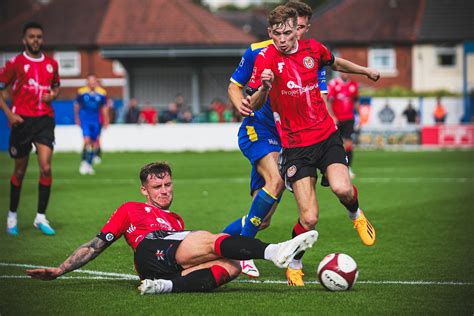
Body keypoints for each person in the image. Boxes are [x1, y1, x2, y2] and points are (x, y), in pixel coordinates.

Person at [25, 162, 318, 294]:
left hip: (167, 261)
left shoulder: (175, 219)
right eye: (157, 186)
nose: (164, 191)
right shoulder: (131, 209)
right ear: (144, 190)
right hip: (150, 249)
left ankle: (165, 287)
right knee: (206, 238)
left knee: (231, 267)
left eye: (167, 184)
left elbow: (185, 246)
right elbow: (96, 244)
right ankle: (275, 251)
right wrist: (60, 270)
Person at [247, 6, 379, 285]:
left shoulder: (313, 49)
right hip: (295, 147)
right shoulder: (266, 59)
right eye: (276, 33)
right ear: (270, 33)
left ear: (297, 29)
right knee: (309, 219)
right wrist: (264, 88)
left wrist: (365, 71)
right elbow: (255, 105)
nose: (282, 39)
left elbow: (337, 63)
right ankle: (294, 262)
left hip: (325, 136)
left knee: (343, 188)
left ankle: (355, 214)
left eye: (287, 32)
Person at [222, 0, 327, 283]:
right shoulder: (258, 52)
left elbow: (319, 96)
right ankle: (244, 253)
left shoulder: (310, 55)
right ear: (278, 29)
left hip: (290, 140)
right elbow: (234, 85)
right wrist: (240, 104)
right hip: (259, 130)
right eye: (296, 28)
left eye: (302, 28)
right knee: (276, 182)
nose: (298, 34)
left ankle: (216, 242)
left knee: (263, 218)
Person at [0, 22, 60, 236]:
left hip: (44, 120)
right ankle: (12, 216)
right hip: (22, 121)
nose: (36, 40)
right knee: (20, 171)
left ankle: (40, 217)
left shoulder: (52, 64)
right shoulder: (15, 63)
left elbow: (56, 86)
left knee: (45, 167)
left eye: (39, 37)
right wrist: (9, 114)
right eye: (32, 36)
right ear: (24, 39)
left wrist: (53, 95)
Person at [74, 74, 109, 175]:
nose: (92, 83)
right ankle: (83, 162)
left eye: (94, 81)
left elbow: (104, 107)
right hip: (85, 120)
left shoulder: (102, 93)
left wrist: (106, 120)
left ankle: (89, 164)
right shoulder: (81, 92)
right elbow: (77, 105)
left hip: (96, 121)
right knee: (86, 140)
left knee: (94, 143)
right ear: (87, 82)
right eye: (90, 81)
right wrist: (76, 118)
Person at [328, 73, 359, 178]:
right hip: (337, 120)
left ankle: (348, 168)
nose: (345, 73)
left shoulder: (353, 85)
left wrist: (358, 116)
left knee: (349, 144)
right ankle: (333, 169)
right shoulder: (333, 84)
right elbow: (328, 101)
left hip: (349, 119)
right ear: (340, 72)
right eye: (343, 71)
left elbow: (355, 101)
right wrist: (332, 116)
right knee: (336, 144)